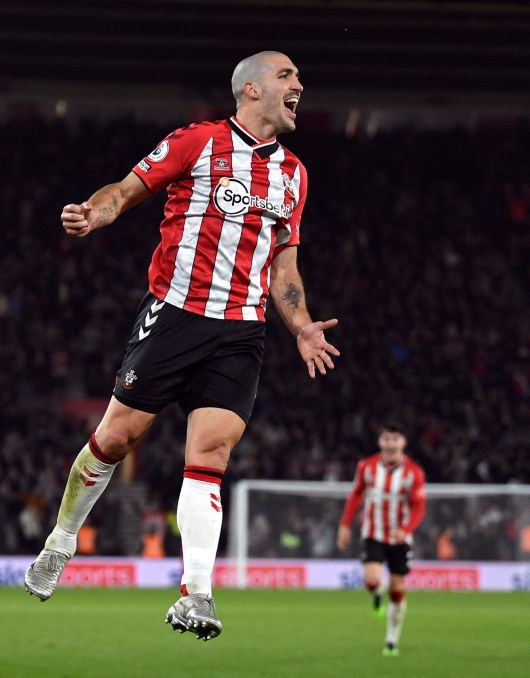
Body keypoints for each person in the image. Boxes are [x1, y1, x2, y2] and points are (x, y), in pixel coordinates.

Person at [23, 51, 340, 642]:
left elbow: (285, 267)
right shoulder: (197, 142)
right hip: (175, 316)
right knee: (116, 438)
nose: (300, 84)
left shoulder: (294, 174)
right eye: (287, 76)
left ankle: (197, 594)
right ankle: (60, 542)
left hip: (241, 333)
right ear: (250, 89)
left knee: (212, 453)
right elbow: (125, 189)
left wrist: (300, 325)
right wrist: (96, 212)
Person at [336, 423, 426, 657]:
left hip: (400, 538)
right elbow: (356, 495)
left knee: (397, 590)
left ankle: (391, 639)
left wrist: (406, 530)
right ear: (380, 443)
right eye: (387, 439)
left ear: (403, 443)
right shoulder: (366, 467)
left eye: (395, 439)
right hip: (373, 533)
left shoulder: (413, 472)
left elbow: (419, 506)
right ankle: (377, 594)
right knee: (372, 580)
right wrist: (345, 525)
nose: (391, 444)